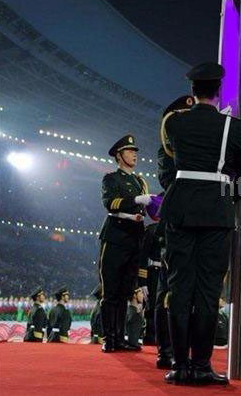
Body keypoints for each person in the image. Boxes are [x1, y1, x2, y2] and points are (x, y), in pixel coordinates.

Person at [160, 62, 241, 386]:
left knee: (179, 288)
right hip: (215, 210)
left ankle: (179, 366)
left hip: (181, 208)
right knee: (208, 291)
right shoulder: (232, 127)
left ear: (192, 91)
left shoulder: (174, 123)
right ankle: (201, 366)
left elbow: (170, 157)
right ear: (218, 91)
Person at [99, 134, 153, 353]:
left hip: (134, 238)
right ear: (119, 156)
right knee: (111, 292)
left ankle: (120, 338)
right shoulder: (111, 179)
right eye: (130, 151)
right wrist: (136, 200)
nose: (134, 155)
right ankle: (109, 338)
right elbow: (110, 203)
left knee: (125, 292)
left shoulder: (140, 181)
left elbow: (145, 209)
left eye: (135, 151)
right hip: (115, 237)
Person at [152, 95, 194, 369]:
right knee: (168, 290)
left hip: (198, 222)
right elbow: (168, 181)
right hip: (177, 224)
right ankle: (166, 352)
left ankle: (185, 350)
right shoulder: (167, 151)